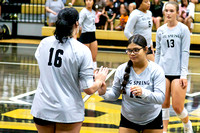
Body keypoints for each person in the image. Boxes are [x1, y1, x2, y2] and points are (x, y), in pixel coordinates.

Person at [31, 8, 108, 133]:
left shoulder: (44, 43)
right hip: (67, 111)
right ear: (77, 24)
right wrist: (99, 81)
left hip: (42, 108)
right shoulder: (81, 50)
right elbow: (88, 89)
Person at [98, 34, 166, 133]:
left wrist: (143, 92)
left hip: (152, 118)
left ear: (146, 49)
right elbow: (114, 95)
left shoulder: (156, 70)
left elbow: (161, 98)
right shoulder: (121, 69)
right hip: (128, 119)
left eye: (136, 50)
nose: (132, 53)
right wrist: (103, 93)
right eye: (129, 50)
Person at [155, 2, 193, 133]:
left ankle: (187, 124)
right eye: (166, 10)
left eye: (171, 11)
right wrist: (156, 71)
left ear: (177, 12)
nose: (168, 13)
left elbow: (185, 53)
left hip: (177, 73)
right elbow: (158, 52)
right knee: (163, 104)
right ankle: (164, 130)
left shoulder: (183, 29)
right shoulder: (160, 30)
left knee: (177, 107)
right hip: (163, 72)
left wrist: (183, 75)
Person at [79, 0, 98, 70]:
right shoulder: (83, 12)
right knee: (85, 58)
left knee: (94, 57)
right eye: (87, 0)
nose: (88, 2)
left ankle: (95, 73)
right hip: (85, 35)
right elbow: (79, 24)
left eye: (90, 0)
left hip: (93, 34)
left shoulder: (93, 12)